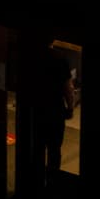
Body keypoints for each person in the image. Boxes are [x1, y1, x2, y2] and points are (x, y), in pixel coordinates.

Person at [30, 39, 75, 184]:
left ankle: (35, 183)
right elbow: (68, 89)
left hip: (35, 109)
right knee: (54, 150)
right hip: (54, 111)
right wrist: (70, 108)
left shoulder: (31, 55)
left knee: (36, 148)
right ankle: (52, 182)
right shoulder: (60, 58)